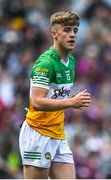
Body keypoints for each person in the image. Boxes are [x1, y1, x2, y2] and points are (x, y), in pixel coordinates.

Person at [19, 11, 91, 179]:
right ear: (54, 33)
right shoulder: (45, 63)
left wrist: (72, 100)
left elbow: (56, 96)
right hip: (38, 134)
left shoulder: (70, 61)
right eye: (66, 30)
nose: (72, 34)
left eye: (75, 30)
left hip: (58, 134)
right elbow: (36, 102)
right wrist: (72, 102)